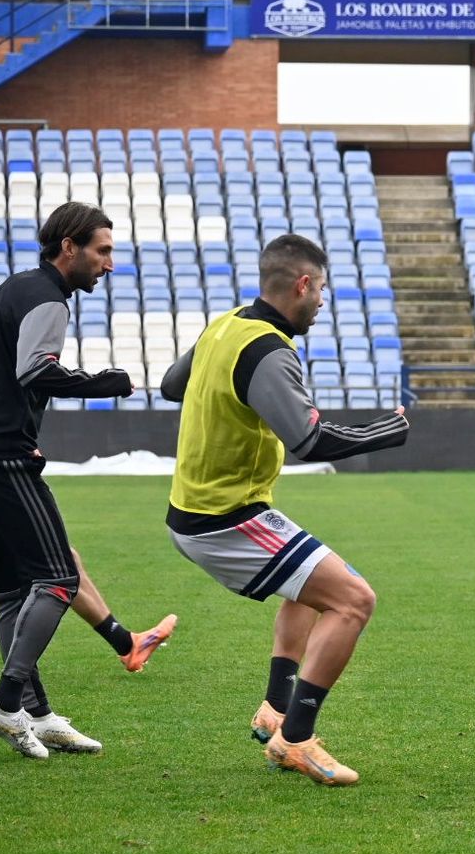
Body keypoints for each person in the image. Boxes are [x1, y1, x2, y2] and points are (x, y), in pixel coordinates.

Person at [160, 233, 410, 787]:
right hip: (225, 517)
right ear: (302, 284)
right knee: (354, 600)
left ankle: (275, 709)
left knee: (311, 587)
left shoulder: (225, 325)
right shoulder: (268, 350)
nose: (321, 301)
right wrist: (386, 432)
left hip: (203, 507)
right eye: (320, 289)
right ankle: (295, 739)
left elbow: (172, 385)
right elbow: (309, 440)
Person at [0, 202, 135, 759]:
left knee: (8, 592)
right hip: (0, 457)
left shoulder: (12, 288)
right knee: (59, 580)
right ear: (68, 247)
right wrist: (105, 383)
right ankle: (5, 702)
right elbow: (36, 370)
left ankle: (38, 715)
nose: (109, 264)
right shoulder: (48, 298)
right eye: (102, 251)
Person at [0, 338, 177, 672]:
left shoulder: (16, 340)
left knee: (60, 560)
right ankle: (25, 683)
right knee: (39, 560)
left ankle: (126, 643)